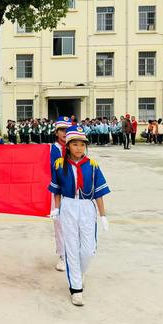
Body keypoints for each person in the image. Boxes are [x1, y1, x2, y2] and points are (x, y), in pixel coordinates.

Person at [49, 125, 110, 306]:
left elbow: (99, 193)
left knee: (88, 249)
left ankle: (81, 272)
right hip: (68, 206)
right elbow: (57, 190)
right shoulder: (60, 165)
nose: (79, 148)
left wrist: (103, 215)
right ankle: (76, 288)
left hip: (86, 208)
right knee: (71, 248)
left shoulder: (92, 165)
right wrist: (57, 209)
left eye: (82, 145)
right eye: (75, 145)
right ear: (68, 146)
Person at [49, 116, 71, 272]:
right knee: (60, 225)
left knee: (74, 224)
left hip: (74, 192)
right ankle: (63, 256)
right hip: (58, 192)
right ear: (56, 132)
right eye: (62, 130)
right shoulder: (52, 149)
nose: (65, 132)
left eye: (67, 129)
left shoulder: (76, 147)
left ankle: (73, 254)